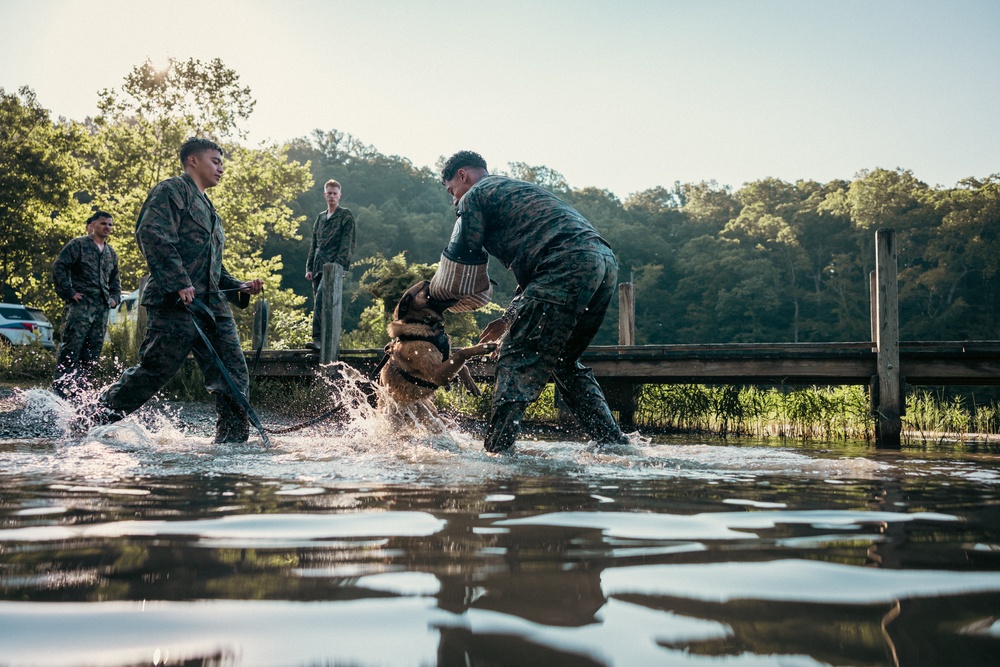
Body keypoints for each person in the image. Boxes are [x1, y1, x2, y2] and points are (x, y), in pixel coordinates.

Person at [428, 150, 628, 453]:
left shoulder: (475, 196)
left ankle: (497, 455)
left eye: (450, 191)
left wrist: (434, 299)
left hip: (565, 264)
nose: (453, 199)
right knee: (564, 362)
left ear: (463, 176)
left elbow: (462, 253)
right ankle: (614, 445)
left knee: (515, 358)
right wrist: (508, 319)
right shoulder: (516, 190)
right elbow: (537, 275)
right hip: (603, 263)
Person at [90, 138, 264, 443]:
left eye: (222, 162)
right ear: (193, 161)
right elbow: (152, 234)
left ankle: (232, 446)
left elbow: (214, 269)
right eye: (215, 161)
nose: (221, 168)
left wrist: (240, 286)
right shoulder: (171, 191)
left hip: (212, 309)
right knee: (153, 372)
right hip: (175, 305)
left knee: (233, 375)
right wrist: (179, 281)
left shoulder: (211, 210)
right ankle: (89, 420)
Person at [51, 211, 121, 399]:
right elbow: (60, 267)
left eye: (110, 224)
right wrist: (69, 292)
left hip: (101, 309)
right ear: (93, 225)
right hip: (81, 306)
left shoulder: (110, 253)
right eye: (103, 223)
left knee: (92, 352)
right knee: (71, 348)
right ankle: (59, 392)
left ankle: (80, 394)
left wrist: (114, 298)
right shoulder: (78, 245)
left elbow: (115, 280)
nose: (107, 227)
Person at [304, 179, 355, 351]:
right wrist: (309, 267)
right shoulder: (320, 217)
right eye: (329, 193)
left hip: (333, 267)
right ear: (325, 195)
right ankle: (322, 342)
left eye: (335, 193)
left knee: (323, 300)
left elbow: (347, 243)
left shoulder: (345, 215)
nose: (332, 196)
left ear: (339, 195)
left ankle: (319, 339)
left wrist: (338, 266)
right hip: (318, 266)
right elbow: (314, 243)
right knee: (319, 303)